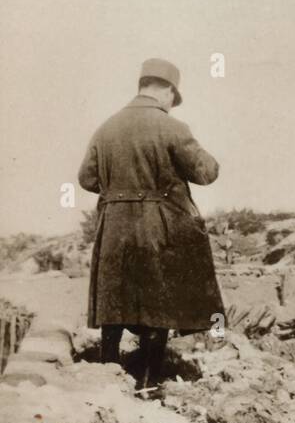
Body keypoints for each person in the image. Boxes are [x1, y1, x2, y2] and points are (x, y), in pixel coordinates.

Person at [78, 58, 223, 390]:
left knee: (114, 301)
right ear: (168, 91)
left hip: (113, 227)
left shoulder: (106, 127)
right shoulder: (172, 127)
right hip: (157, 227)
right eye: (173, 97)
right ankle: (149, 383)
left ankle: (107, 377)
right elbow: (205, 173)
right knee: (158, 304)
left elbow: (87, 179)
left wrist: (118, 191)